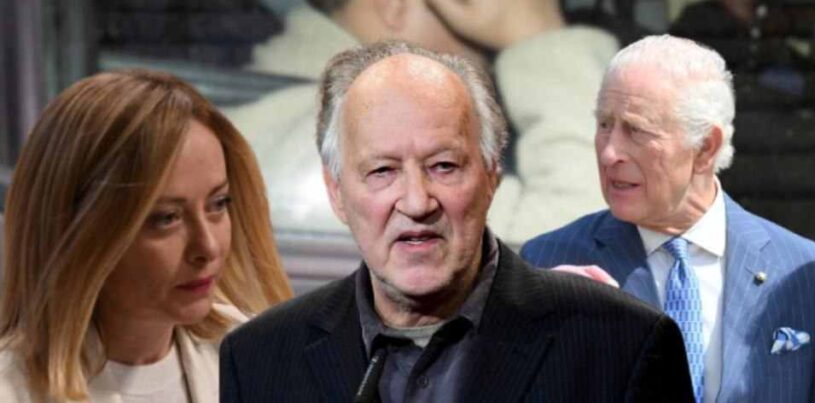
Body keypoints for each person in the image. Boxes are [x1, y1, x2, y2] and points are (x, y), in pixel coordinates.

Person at [220, 41, 691, 402]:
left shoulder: (620, 345)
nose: (416, 202)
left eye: (443, 166)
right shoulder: (260, 359)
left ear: (491, 176)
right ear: (336, 192)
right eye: (382, 171)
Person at [227, 0, 616, 242]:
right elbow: (594, 245)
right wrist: (536, 33)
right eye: (480, 17)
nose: (489, 59)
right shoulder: (336, 144)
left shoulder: (284, 116)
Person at [521, 34, 815, 402]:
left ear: (705, 147)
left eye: (636, 130)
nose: (610, 153)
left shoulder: (809, 273)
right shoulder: (549, 264)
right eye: (605, 125)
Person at [0, 69, 292, 402]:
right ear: (79, 231)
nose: (208, 247)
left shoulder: (261, 359)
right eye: (166, 218)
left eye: (218, 204)